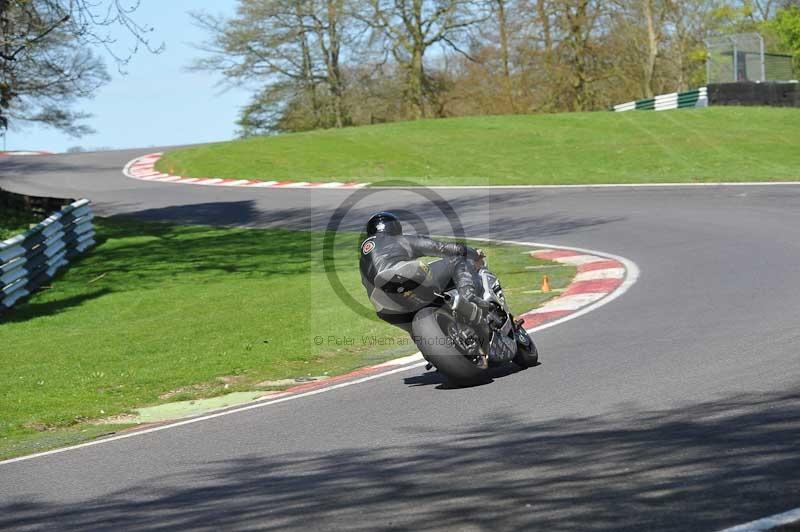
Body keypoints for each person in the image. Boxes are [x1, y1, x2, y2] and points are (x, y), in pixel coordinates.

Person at [358, 211, 492, 337]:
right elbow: (440, 248)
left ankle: (432, 357)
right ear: (393, 226)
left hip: (383, 304)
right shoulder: (398, 239)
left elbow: (366, 284)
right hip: (405, 275)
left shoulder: (362, 260)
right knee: (457, 259)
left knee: (416, 332)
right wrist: (474, 253)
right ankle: (469, 297)